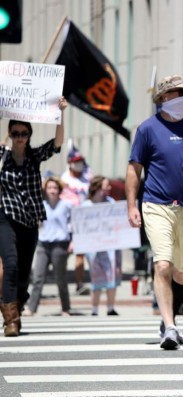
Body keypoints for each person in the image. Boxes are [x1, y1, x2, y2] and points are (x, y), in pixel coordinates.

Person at [126, 74, 183, 350]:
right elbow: (134, 170)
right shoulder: (147, 129)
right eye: (178, 93)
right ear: (164, 98)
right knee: (163, 264)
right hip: (156, 205)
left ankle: (170, 317)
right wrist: (132, 205)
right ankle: (169, 327)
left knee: (182, 274)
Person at [0, 97, 68, 337]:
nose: (20, 137)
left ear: (29, 134)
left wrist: (60, 114)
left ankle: (16, 307)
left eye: (24, 133)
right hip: (6, 216)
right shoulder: (2, 156)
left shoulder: (35, 156)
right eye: (15, 133)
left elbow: (57, 144)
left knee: (24, 272)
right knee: (10, 265)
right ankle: (11, 321)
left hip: (30, 220)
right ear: (10, 133)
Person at [25, 177, 72, 316]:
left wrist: (73, 241)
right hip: (43, 244)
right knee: (38, 277)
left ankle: (65, 308)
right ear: (45, 189)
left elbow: (75, 224)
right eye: (50, 188)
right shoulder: (41, 204)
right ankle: (32, 308)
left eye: (55, 188)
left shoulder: (66, 205)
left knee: (60, 278)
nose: (52, 191)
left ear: (59, 190)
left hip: (60, 244)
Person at [83, 175, 122, 316]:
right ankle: (94, 309)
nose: (109, 188)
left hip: (111, 246)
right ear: (99, 187)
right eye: (107, 185)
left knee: (112, 275)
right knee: (96, 277)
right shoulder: (86, 206)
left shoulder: (111, 202)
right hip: (93, 247)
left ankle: (110, 308)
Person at [61, 149, 92, 295]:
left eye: (80, 161)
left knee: (81, 254)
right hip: (67, 224)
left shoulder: (87, 178)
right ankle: (61, 283)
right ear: (69, 163)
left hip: (84, 223)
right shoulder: (64, 179)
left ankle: (79, 283)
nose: (79, 164)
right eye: (75, 161)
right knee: (63, 254)